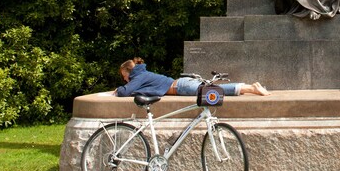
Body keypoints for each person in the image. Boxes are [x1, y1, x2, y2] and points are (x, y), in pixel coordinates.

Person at [114, 58, 271, 97]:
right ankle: (249, 86)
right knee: (213, 90)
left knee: (214, 91)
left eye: (124, 76)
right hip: (182, 84)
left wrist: (116, 91)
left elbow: (124, 92)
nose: (125, 80)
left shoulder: (139, 77)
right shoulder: (143, 74)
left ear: (129, 72)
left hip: (182, 87)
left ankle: (250, 88)